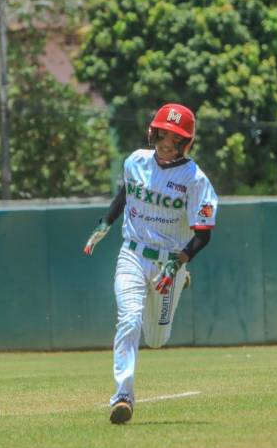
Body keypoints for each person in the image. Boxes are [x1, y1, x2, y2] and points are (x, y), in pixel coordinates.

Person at [83, 103, 218, 424]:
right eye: (162, 134)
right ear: (152, 131)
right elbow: (125, 194)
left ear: (187, 142)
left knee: (157, 340)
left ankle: (183, 278)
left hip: (169, 262)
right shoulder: (136, 161)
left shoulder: (195, 179)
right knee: (129, 320)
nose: (166, 142)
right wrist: (105, 223)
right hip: (132, 252)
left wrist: (178, 264)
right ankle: (123, 395)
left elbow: (203, 234)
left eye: (175, 137)